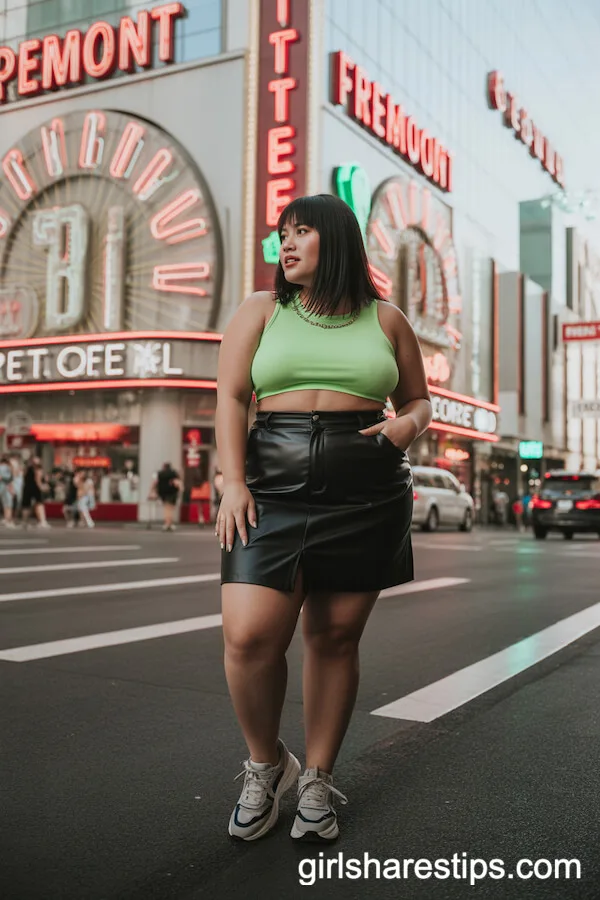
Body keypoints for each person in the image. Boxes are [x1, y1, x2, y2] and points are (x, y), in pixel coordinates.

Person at [215, 194, 432, 842]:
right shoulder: (260, 310)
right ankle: (265, 763)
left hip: (365, 493)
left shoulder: (387, 319)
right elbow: (229, 396)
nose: (285, 243)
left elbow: (420, 399)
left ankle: (315, 775)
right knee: (249, 638)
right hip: (270, 491)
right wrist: (229, 482)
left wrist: (406, 427)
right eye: (282, 233)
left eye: (300, 232)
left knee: (334, 639)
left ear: (334, 240)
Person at [22, 457, 50, 529]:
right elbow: (38, 480)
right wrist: (42, 487)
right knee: (39, 504)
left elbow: (24, 476)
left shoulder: (27, 469)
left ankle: (25, 522)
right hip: (35, 489)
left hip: (27, 488)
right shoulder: (38, 469)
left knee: (26, 505)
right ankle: (42, 521)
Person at [154, 462, 181, 531]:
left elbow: (156, 482)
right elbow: (177, 483)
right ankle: (169, 523)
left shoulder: (160, 474)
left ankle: (167, 523)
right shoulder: (173, 473)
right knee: (170, 509)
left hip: (163, 493)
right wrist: (179, 490)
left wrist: (154, 491)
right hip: (172, 493)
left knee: (166, 508)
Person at [0, 456, 15, 528]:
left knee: (5, 504)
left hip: (2, 488)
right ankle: (8, 520)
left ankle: (6, 519)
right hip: (7, 488)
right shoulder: (7, 468)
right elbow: (9, 479)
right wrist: (11, 489)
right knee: (8, 505)